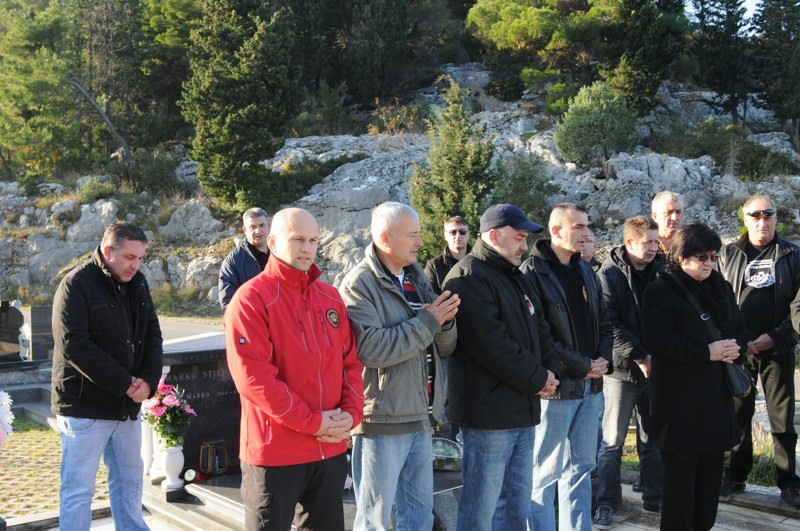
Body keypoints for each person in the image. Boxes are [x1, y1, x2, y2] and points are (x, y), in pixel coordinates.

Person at [224, 207, 364, 531]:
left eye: (313, 240)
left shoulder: (330, 298)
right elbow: (254, 378)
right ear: (273, 243)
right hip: (276, 453)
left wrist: (351, 414)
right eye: (298, 239)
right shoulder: (250, 299)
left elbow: (350, 364)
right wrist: (313, 422)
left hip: (329, 449)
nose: (307, 248)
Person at [339, 202, 459, 530]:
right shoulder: (359, 284)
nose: (420, 242)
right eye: (413, 235)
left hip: (421, 417)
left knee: (418, 518)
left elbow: (445, 347)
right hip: (382, 421)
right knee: (375, 520)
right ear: (385, 238)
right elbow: (371, 349)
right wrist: (429, 321)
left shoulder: (416, 279)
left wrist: (445, 322)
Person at [442, 204, 561, 531]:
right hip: (488, 417)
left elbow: (540, 329)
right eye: (519, 237)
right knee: (481, 511)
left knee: (515, 509)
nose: (525, 245)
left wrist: (552, 371)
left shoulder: (514, 275)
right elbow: (492, 345)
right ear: (494, 236)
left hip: (521, 409)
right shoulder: (468, 278)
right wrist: (539, 378)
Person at [51, 222, 163, 531]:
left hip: (126, 406)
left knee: (130, 481)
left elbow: (152, 335)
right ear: (108, 250)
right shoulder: (76, 284)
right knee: (78, 491)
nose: (135, 265)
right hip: (84, 407)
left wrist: (148, 381)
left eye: (140, 258)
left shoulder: (138, 283)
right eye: (129, 257)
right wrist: (126, 383)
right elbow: (74, 345)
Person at [643, 222, 747, 530]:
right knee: (679, 486)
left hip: (716, 400)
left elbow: (741, 330)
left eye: (713, 256)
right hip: (679, 404)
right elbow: (659, 341)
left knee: (709, 483)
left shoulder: (721, 288)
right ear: (682, 256)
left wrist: (735, 347)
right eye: (702, 257)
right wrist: (707, 352)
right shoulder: (660, 290)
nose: (709, 263)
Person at [522, 203, 612, 531]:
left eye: (588, 226)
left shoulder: (585, 269)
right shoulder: (532, 273)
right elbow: (539, 335)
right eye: (579, 227)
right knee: (544, 472)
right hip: (557, 389)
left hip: (591, 386)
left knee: (580, 469)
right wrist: (582, 364)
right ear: (556, 231)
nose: (587, 233)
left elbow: (604, 320)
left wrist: (601, 361)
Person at [718, 195, 800, 506]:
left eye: (768, 214)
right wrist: (740, 341)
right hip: (739, 349)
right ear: (745, 218)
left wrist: (776, 337)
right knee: (738, 415)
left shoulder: (792, 254)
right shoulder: (728, 254)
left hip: (779, 348)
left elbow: (799, 306)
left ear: (776, 218)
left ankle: (788, 482)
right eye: (755, 215)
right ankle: (736, 475)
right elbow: (720, 300)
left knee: (782, 419)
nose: (762, 221)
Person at [594, 217, 664, 528]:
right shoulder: (608, 274)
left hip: (655, 368)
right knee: (612, 443)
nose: (654, 247)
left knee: (653, 438)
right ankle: (606, 502)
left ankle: (654, 496)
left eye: (656, 241)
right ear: (630, 242)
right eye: (648, 242)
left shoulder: (661, 271)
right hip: (620, 373)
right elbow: (609, 324)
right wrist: (641, 356)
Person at [218, 207, 270, 309]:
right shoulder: (233, 262)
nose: (258, 231)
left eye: (262, 225)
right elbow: (227, 301)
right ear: (245, 230)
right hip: (252, 318)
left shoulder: (281, 254)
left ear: (268, 226)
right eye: (252, 227)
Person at [424, 215, 471, 294]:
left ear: (468, 235)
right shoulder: (433, 266)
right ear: (446, 236)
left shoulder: (479, 263)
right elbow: (428, 295)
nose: (458, 236)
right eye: (453, 232)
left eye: (462, 232)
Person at [650, 191, 684, 255]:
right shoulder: (645, 245)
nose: (674, 218)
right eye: (669, 212)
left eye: (678, 212)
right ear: (654, 216)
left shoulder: (689, 244)